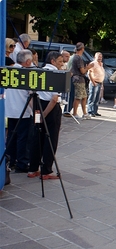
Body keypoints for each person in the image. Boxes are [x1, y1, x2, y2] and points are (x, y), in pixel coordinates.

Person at [27, 51, 63, 180]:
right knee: (50, 140)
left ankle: (32, 168)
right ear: (52, 61)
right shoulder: (56, 75)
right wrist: (44, 115)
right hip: (51, 110)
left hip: (37, 106)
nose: (62, 64)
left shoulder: (37, 72)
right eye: (60, 61)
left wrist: (36, 111)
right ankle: (46, 171)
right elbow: (54, 99)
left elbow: (30, 94)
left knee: (36, 137)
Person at [5, 49, 33, 173]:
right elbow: (30, 96)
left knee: (11, 137)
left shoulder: (9, 71)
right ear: (27, 61)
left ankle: (10, 161)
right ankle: (22, 163)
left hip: (10, 110)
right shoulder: (26, 74)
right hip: (23, 111)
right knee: (23, 139)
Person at [70, 42, 94, 120]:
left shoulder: (75, 57)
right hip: (78, 79)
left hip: (79, 79)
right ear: (82, 49)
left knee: (84, 97)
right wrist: (88, 67)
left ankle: (84, 113)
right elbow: (83, 71)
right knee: (78, 97)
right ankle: (75, 113)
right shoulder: (78, 58)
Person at [87, 52, 105, 117]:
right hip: (94, 83)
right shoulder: (93, 63)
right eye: (98, 56)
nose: (100, 58)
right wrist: (93, 82)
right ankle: (90, 111)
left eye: (101, 56)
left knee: (97, 98)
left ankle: (95, 111)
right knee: (92, 97)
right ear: (95, 57)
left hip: (99, 83)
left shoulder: (101, 64)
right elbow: (89, 73)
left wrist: (102, 83)